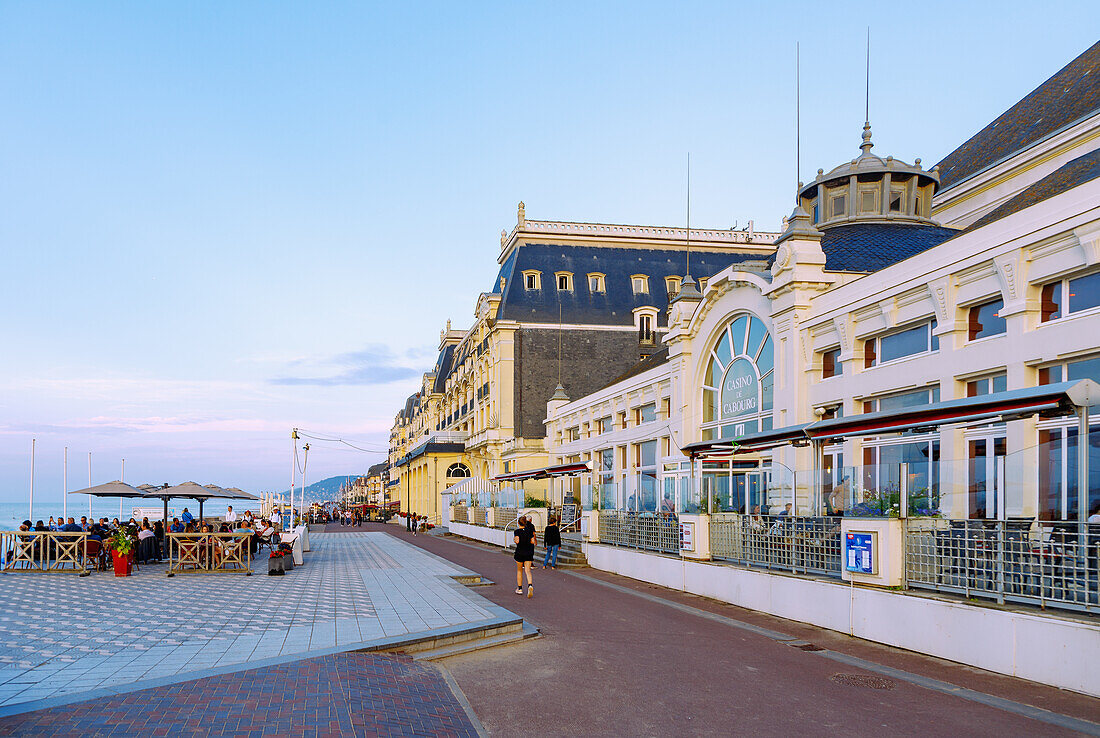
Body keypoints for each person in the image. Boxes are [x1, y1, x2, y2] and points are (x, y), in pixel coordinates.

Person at [513, 515, 536, 597]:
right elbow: (532, 541)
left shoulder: (517, 531)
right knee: (528, 570)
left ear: (518, 523)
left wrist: (515, 539)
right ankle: (530, 585)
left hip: (520, 552)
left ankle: (519, 589)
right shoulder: (529, 531)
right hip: (528, 552)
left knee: (519, 570)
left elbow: (517, 541)